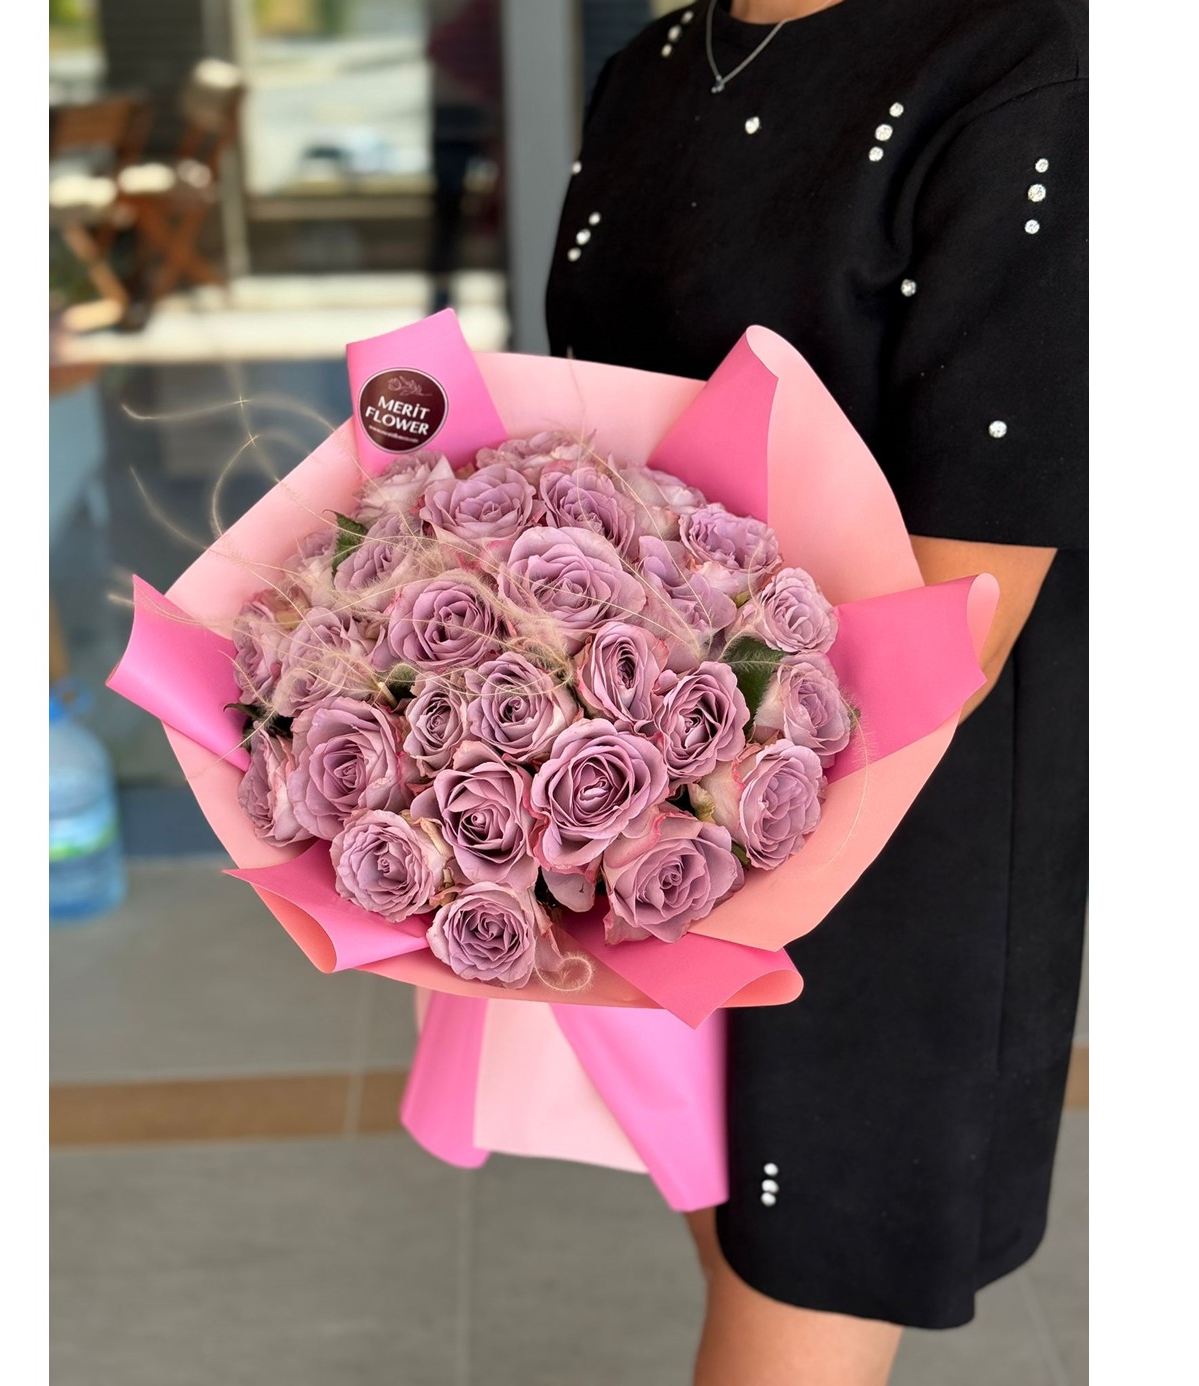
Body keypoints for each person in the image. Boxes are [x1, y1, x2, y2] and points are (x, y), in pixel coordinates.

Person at [545, 1, 1088, 1382]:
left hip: (889, 826)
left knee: (801, 1276)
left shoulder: (1028, 67)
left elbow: (956, 616)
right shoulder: (650, 70)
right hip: (640, 812)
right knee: (722, 1212)